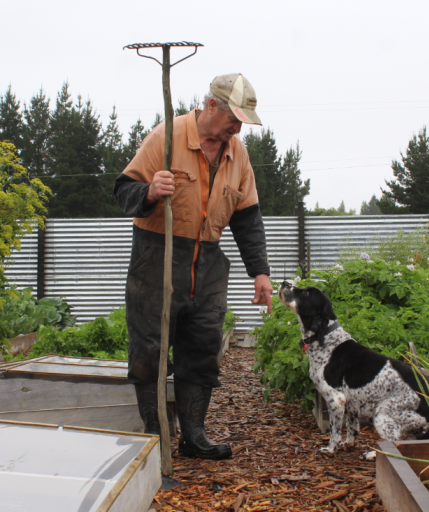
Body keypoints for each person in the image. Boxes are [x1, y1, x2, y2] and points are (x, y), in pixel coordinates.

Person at [114, 73, 272, 460]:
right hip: (158, 258)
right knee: (150, 349)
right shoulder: (166, 137)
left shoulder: (238, 154)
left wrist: (260, 272)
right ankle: (154, 435)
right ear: (211, 105)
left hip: (209, 264)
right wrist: (150, 191)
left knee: (202, 349)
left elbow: (247, 217)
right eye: (234, 118)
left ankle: (193, 435)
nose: (237, 128)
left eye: (241, 122)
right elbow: (123, 190)